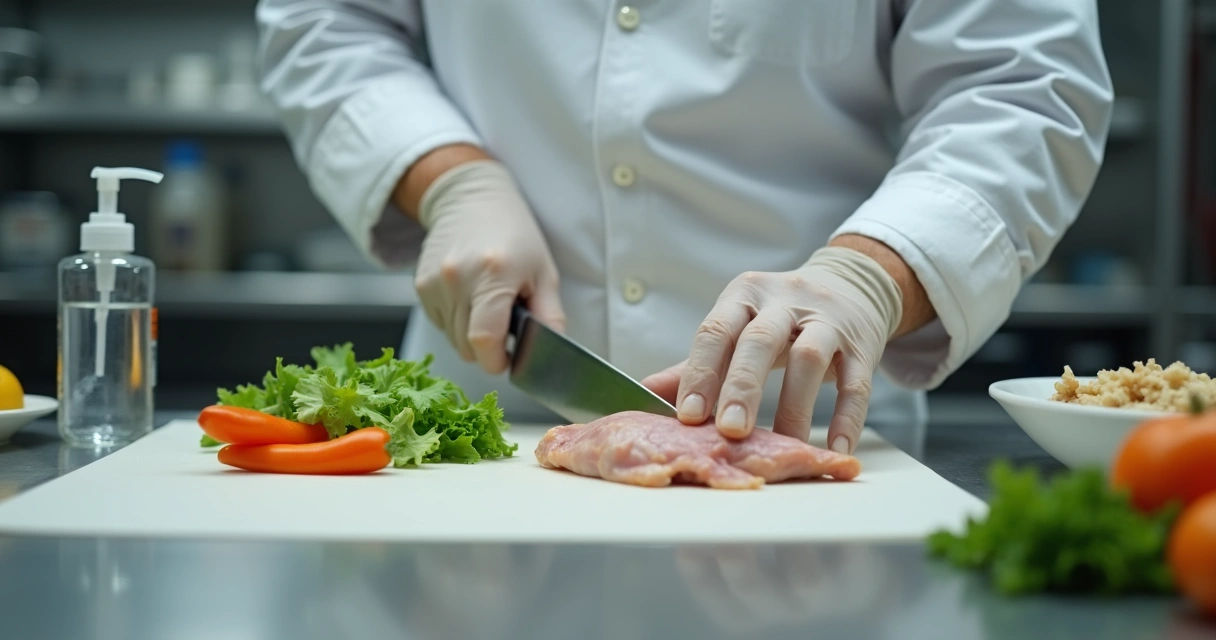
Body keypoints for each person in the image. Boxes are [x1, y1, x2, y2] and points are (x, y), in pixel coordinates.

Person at [256, 0, 1112, 456]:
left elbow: (1022, 83)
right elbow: (325, 22)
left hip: (805, 431)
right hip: (485, 417)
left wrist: (870, 277)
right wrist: (451, 178)